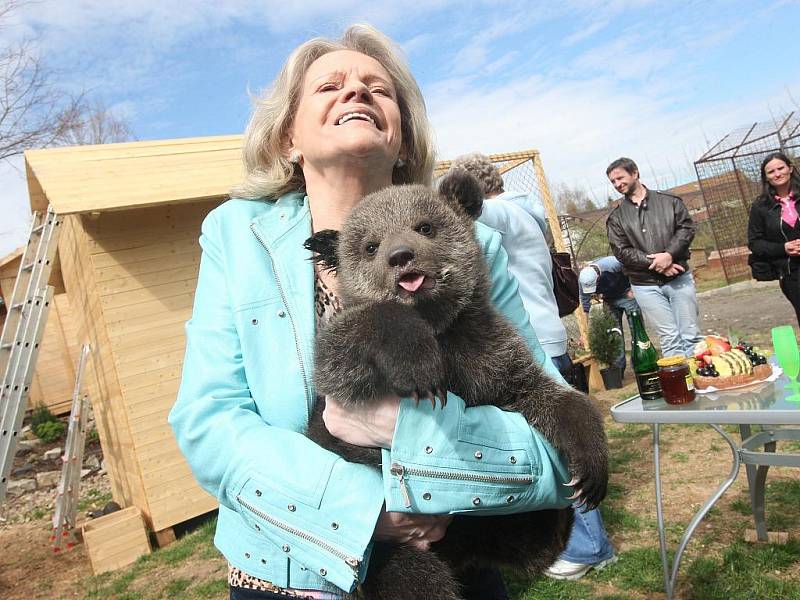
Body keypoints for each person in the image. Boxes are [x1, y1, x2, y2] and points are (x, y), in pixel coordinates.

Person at [169, 25, 575, 600]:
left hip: (452, 554)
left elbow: (548, 438)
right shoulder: (235, 236)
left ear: (404, 139)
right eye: (329, 85)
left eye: (378, 89)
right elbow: (209, 420)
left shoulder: (470, 244)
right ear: (288, 138)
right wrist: (364, 512)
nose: (356, 92)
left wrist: (428, 463)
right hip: (286, 565)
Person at [448, 153, 617, 582]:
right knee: (560, 438)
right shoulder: (530, 215)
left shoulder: (497, 214)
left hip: (525, 337)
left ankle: (586, 545)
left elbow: (451, 219)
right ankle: (588, 542)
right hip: (548, 331)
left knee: (556, 440)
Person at [448, 153, 572, 378]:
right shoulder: (524, 213)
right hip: (549, 333)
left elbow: (463, 212)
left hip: (531, 341)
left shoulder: (501, 213)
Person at [605, 157, 702, 357]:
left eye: (620, 178)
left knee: (690, 335)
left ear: (635, 173)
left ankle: (700, 382)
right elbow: (621, 251)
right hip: (645, 285)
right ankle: (680, 386)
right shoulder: (616, 218)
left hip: (679, 279)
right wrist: (657, 262)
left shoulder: (670, 202)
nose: (617, 184)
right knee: (669, 339)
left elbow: (686, 229)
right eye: (613, 182)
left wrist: (669, 254)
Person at [748, 152, 800, 326]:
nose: (777, 174)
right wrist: (783, 248)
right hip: (791, 273)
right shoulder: (760, 207)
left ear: (790, 168)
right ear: (766, 178)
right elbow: (755, 243)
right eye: (771, 172)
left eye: (781, 168)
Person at [578, 255, 640, 376]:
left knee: (636, 329)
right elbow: (586, 307)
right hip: (609, 300)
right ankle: (618, 369)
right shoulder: (583, 280)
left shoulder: (613, 264)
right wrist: (584, 332)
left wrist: (633, 288)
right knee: (614, 334)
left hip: (626, 295)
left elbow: (632, 270)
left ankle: (639, 364)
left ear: (598, 277)